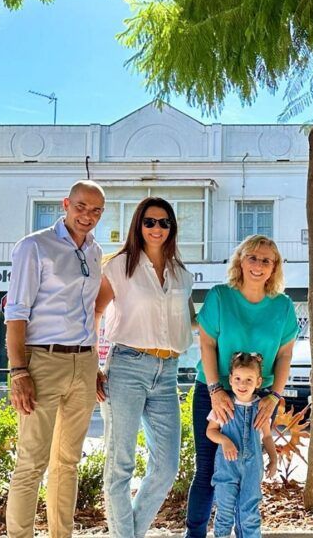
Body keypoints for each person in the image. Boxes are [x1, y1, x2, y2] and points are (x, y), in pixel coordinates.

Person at [3, 180, 106, 538]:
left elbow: (90, 310)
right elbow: (16, 314)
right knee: (31, 463)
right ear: (66, 204)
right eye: (81, 207)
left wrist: (92, 365)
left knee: (68, 463)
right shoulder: (34, 246)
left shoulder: (95, 250)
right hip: (42, 361)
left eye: (95, 210)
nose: (87, 216)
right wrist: (18, 372)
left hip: (84, 362)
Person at [95, 196, 197, 538]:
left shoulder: (182, 274)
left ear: (172, 228)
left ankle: (129, 534)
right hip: (127, 366)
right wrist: (95, 365)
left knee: (167, 466)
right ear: (138, 225)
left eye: (164, 222)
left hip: (168, 372)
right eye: (150, 221)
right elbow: (94, 315)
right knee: (119, 466)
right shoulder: (118, 266)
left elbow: (191, 321)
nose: (157, 228)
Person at [184, 235, 299, 538]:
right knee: (208, 470)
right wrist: (214, 389)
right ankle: (194, 534)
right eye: (252, 257)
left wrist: (274, 397)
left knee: (248, 472)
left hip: (261, 399)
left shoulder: (283, 306)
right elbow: (207, 343)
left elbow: (286, 354)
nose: (258, 265)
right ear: (240, 261)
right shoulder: (220, 296)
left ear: (274, 268)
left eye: (266, 260)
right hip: (214, 392)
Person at [206, 352, 278, 538]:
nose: (242, 384)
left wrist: (273, 458)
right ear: (230, 380)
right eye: (237, 378)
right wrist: (225, 441)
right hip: (226, 469)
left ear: (258, 382)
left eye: (248, 379)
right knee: (224, 514)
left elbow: (267, 437)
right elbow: (211, 431)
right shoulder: (223, 405)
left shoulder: (261, 408)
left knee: (249, 513)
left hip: (253, 468)